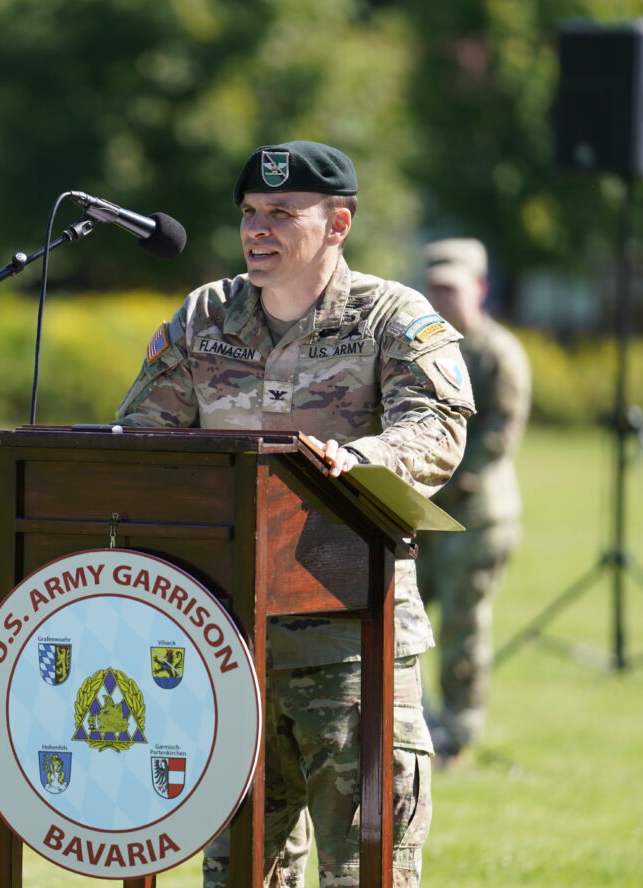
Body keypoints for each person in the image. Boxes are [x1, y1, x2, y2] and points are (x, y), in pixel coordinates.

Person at [114, 141, 474, 888]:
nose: (258, 229)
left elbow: (437, 428)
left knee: (365, 870)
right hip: (223, 644)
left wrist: (361, 459)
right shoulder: (204, 317)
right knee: (239, 872)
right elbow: (141, 438)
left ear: (338, 224)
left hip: (352, 640)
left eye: (282, 213)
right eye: (250, 212)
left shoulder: (391, 316)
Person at [417, 238, 531, 765]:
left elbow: (497, 440)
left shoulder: (498, 354)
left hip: (476, 516)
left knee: (463, 627)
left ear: (479, 289)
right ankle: (414, 722)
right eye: (434, 288)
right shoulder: (422, 348)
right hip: (423, 514)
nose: (441, 298)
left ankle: (458, 734)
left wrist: (432, 481)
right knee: (401, 621)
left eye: (452, 288)